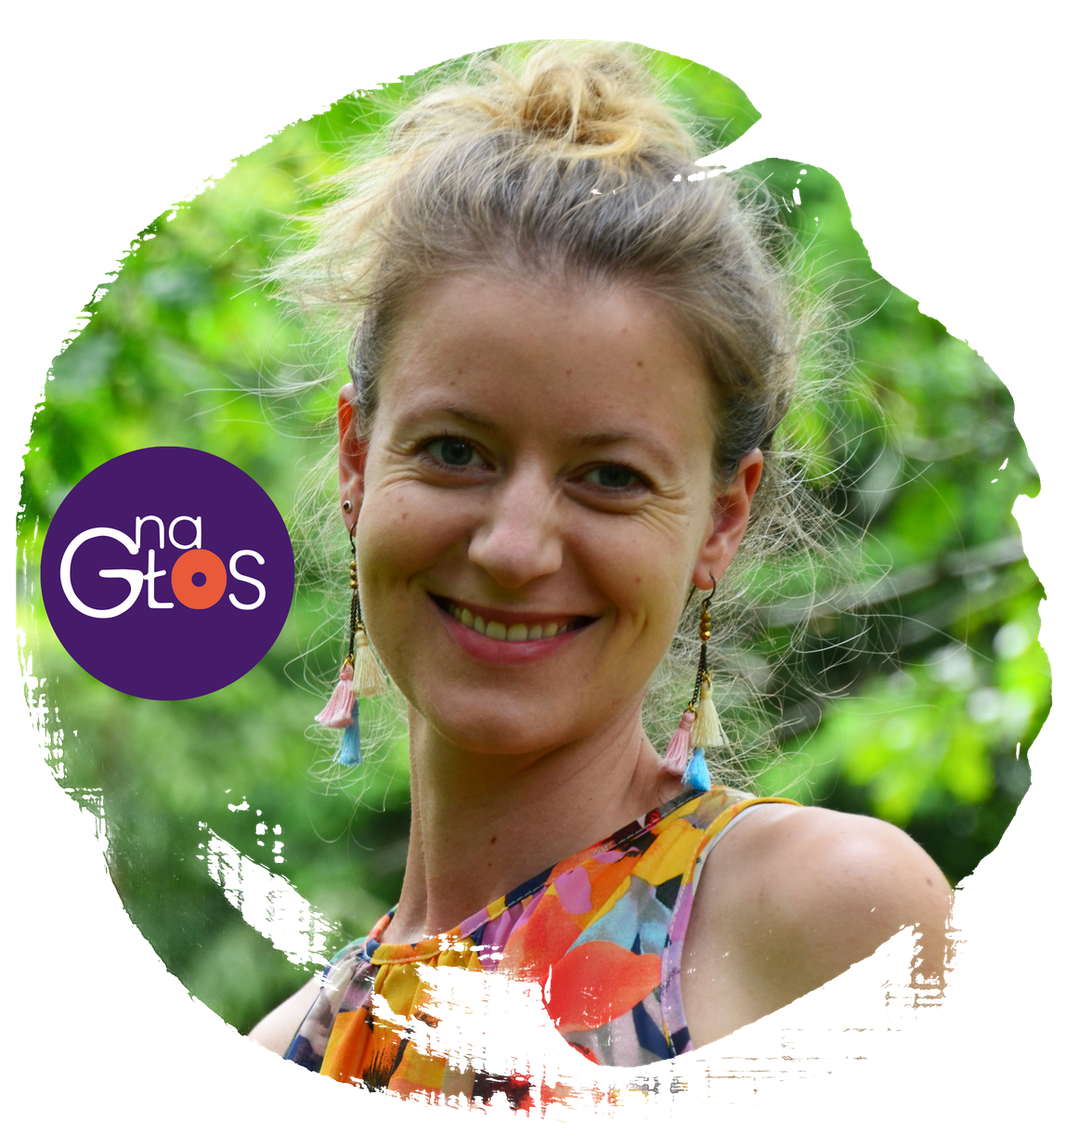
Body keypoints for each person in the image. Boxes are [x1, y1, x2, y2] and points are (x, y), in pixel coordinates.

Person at [247, 42, 955, 1108]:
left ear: (721, 517)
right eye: (454, 450)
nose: (514, 546)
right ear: (356, 460)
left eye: (610, 476)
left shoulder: (821, 920)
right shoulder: (295, 1042)